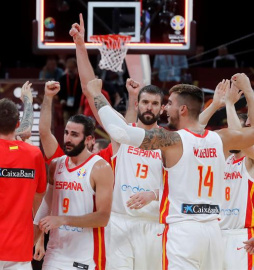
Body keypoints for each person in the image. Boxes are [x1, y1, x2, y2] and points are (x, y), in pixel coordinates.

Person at [87, 75, 254, 269]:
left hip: (183, 231)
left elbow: (120, 132)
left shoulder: (171, 140)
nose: (166, 108)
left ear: (182, 109)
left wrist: (96, 95)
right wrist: (249, 92)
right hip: (213, 232)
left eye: (170, 104)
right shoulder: (220, 139)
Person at [70, 14, 165, 270]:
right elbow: (92, 92)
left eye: (155, 104)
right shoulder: (123, 133)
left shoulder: (169, 141)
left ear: (162, 109)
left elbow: (179, 183)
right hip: (120, 222)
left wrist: (154, 194)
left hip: (154, 223)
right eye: (145, 102)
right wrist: (80, 46)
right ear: (137, 103)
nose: (149, 107)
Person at [33, 113, 114, 270]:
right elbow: (46, 205)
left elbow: (103, 218)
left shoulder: (100, 168)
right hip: (55, 253)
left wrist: (63, 220)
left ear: (89, 139)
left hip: (86, 257)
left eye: (75, 135)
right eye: (66, 133)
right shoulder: (56, 165)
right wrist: (36, 239)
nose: (68, 139)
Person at [0, 98, 46, 270]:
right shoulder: (34, 155)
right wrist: (39, 237)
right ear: (17, 123)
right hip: (21, 249)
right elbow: (40, 201)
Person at [200, 74, 254, 269]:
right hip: (215, 233)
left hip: (241, 237)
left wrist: (232, 104)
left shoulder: (249, 160)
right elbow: (194, 133)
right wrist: (215, 105)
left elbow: (241, 138)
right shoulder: (222, 158)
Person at [58, 57, 82, 125]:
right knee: (67, 126)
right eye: (69, 67)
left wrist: (80, 105)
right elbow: (60, 91)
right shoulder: (63, 79)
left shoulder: (80, 79)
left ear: (76, 68)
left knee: (78, 125)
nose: (71, 70)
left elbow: (82, 93)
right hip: (66, 107)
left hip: (78, 107)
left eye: (72, 67)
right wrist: (62, 100)